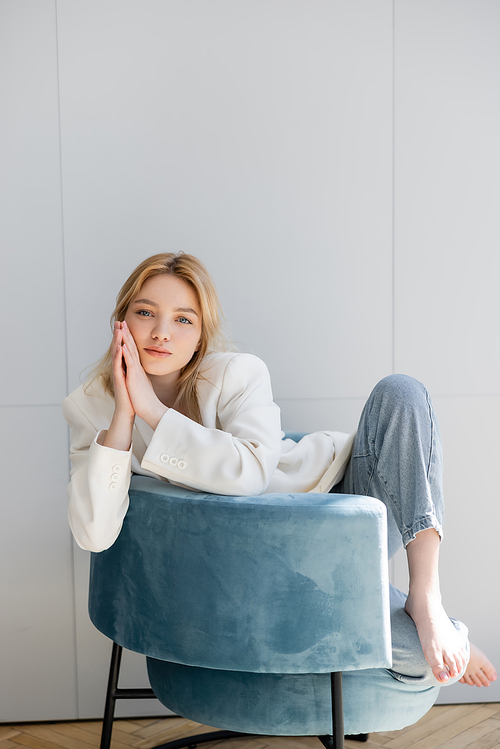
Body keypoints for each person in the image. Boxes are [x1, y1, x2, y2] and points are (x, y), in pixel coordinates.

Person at [63, 252, 496, 691]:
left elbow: (250, 475)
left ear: (200, 339)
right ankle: (448, 629)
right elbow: (94, 534)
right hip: (261, 573)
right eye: (145, 313)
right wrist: (123, 414)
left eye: (183, 320)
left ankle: (426, 597)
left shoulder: (237, 373)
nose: (160, 332)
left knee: (401, 392)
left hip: (334, 502)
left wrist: (152, 411)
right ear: (121, 323)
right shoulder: (88, 407)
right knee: (426, 661)